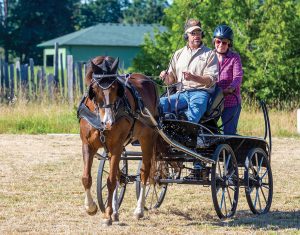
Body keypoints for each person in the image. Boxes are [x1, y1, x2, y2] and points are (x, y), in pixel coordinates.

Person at [160, 18, 218, 124]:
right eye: (193, 33)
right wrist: (165, 77)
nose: (197, 36)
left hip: (200, 93)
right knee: (160, 104)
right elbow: (170, 81)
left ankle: (183, 132)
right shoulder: (178, 54)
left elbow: (211, 80)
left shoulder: (210, 54)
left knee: (191, 116)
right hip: (180, 94)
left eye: (199, 33)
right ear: (187, 35)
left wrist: (193, 77)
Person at [213, 25, 243, 135]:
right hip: (214, 102)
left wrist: (231, 88)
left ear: (229, 43)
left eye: (224, 42)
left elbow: (238, 76)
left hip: (230, 101)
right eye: (218, 41)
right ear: (214, 42)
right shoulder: (209, 56)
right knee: (208, 130)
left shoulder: (234, 58)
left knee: (229, 133)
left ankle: (230, 151)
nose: (221, 45)